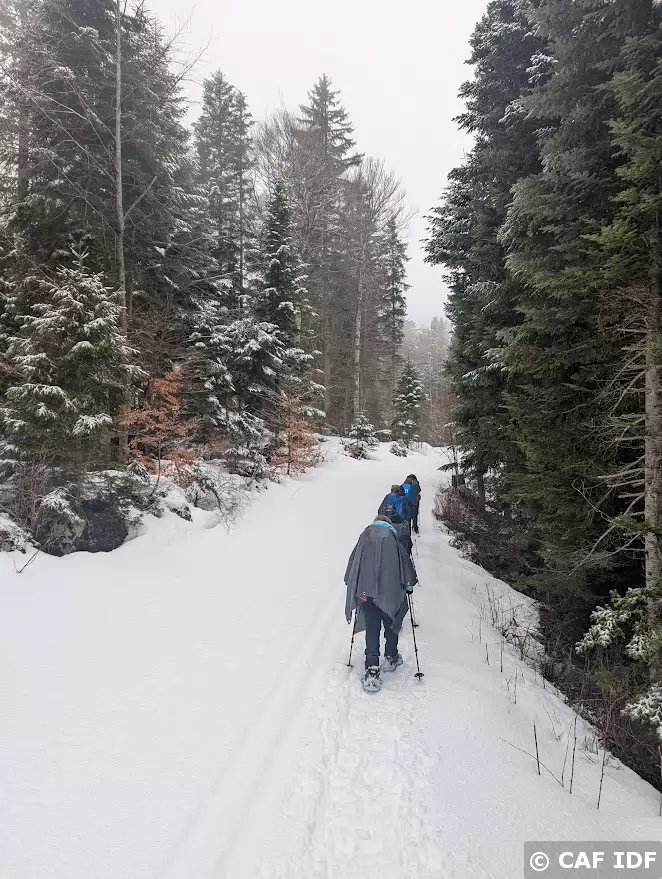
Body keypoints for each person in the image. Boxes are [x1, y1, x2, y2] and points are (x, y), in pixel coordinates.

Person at [344, 514, 418, 693]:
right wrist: (409, 585)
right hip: (390, 593)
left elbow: (353, 563)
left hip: (366, 594)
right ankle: (391, 656)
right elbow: (405, 564)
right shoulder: (393, 539)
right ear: (389, 524)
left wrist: (352, 582)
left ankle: (372, 669)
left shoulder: (364, 537)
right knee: (391, 623)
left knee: (372, 628)